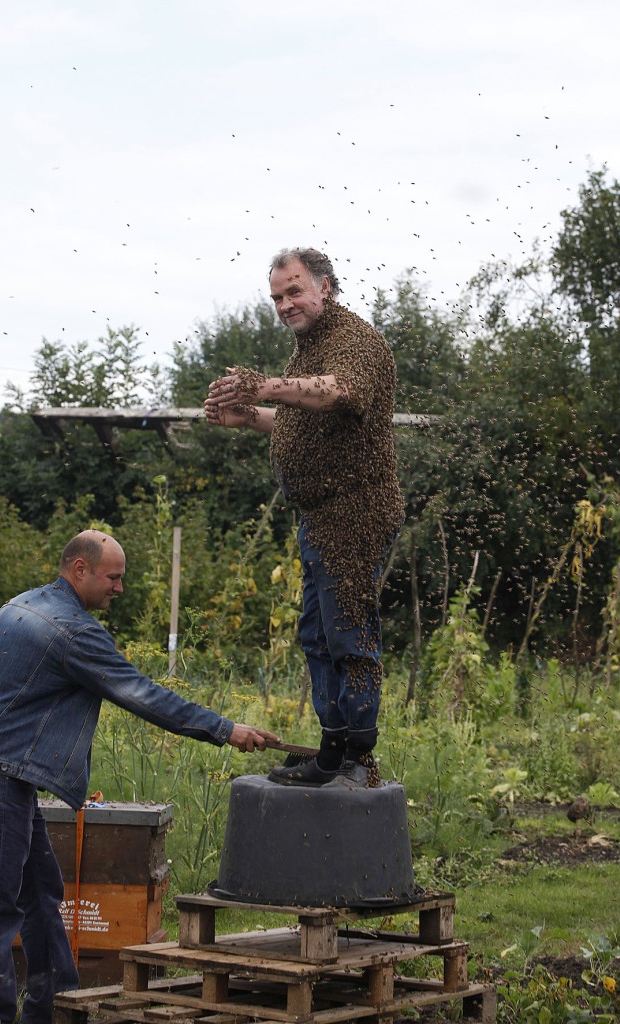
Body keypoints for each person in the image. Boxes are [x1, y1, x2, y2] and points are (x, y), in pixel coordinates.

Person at [0, 529, 278, 1024]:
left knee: (40, 895)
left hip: (3, 776)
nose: (120, 588)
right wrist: (226, 729)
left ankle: (58, 1008)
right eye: (113, 577)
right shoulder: (74, 632)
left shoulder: (17, 606)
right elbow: (143, 695)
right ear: (80, 569)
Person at [204, 247, 403, 789]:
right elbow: (302, 423)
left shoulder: (356, 342)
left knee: (348, 635)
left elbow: (339, 392)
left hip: (355, 512)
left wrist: (264, 386)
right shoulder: (308, 348)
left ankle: (357, 757)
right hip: (319, 515)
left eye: (294, 291)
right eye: (276, 297)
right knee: (317, 636)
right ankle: (331, 749)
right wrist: (249, 416)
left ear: (325, 287)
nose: (285, 304)